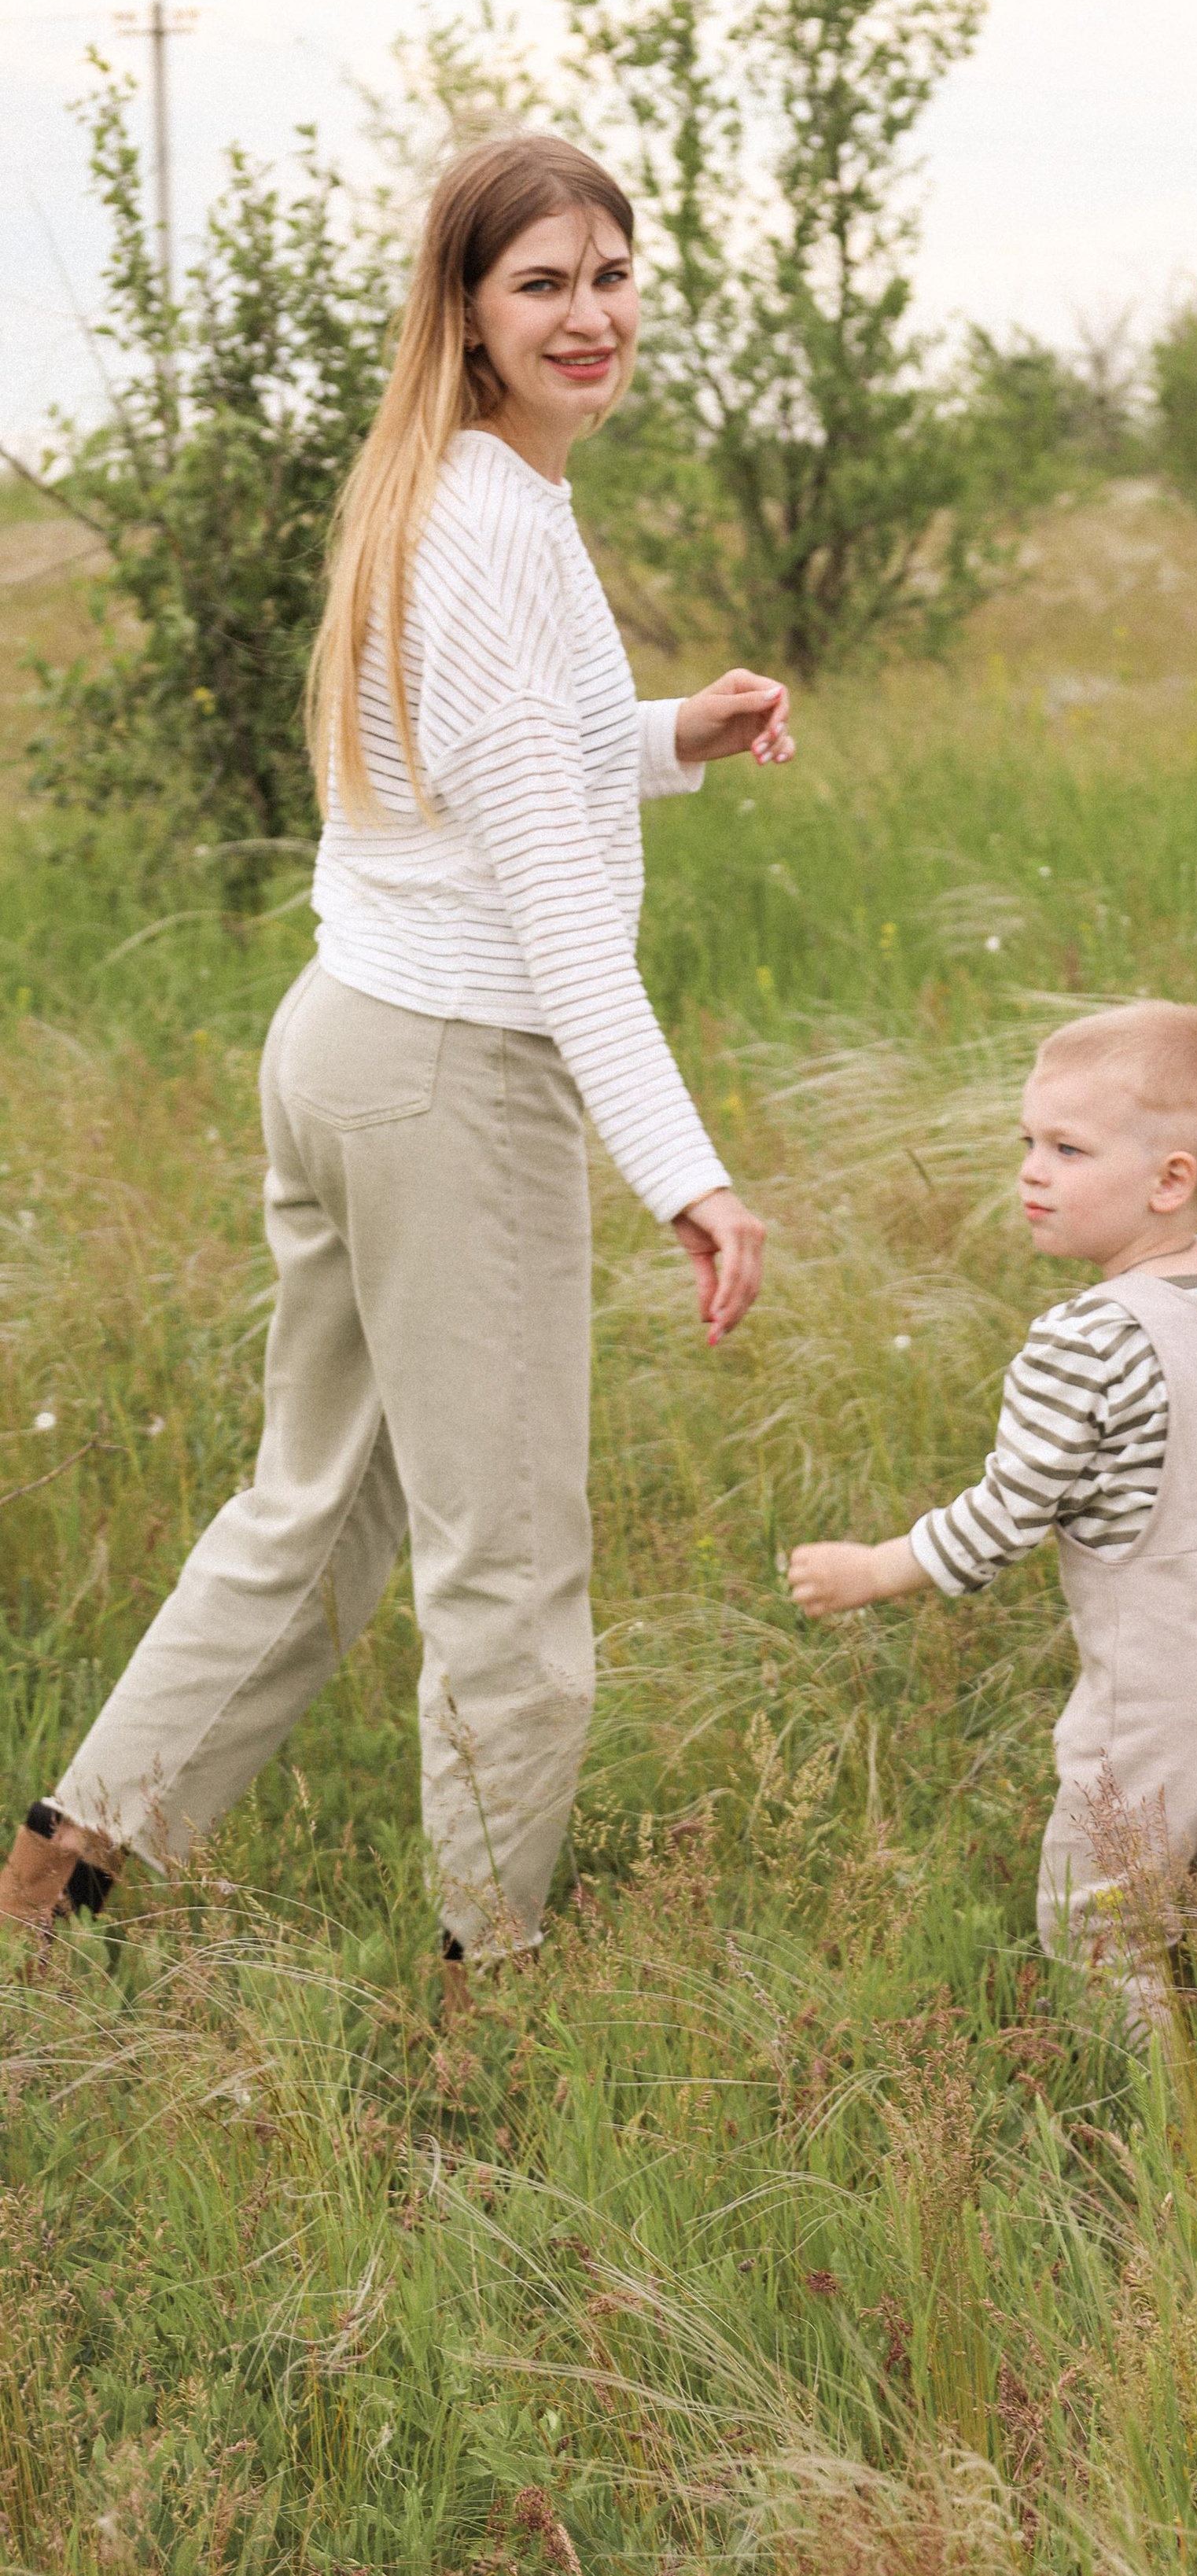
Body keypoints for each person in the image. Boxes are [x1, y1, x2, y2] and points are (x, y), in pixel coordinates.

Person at [1, 134, 792, 1985]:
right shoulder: (485, 530)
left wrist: (674, 730)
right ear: (466, 308)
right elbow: (545, 910)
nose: (588, 314)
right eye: (543, 283)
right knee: (505, 1560)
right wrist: (688, 1171)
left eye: (610, 272)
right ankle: (487, 1974)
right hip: (453, 1070)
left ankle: (60, 1871)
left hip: (351, 1037)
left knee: (320, 1501)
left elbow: (502, 767)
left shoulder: (459, 488)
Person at [790, 1001, 1197, 2129]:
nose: (1031, 1173)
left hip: (1168, 1712)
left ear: (1169, 1179)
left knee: (1100, 1931)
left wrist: (875, 1568)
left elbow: (1009, 1510)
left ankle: (1159, 2148)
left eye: (1066, 1151)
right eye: (1028, 1142)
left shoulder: (1084, 1340)